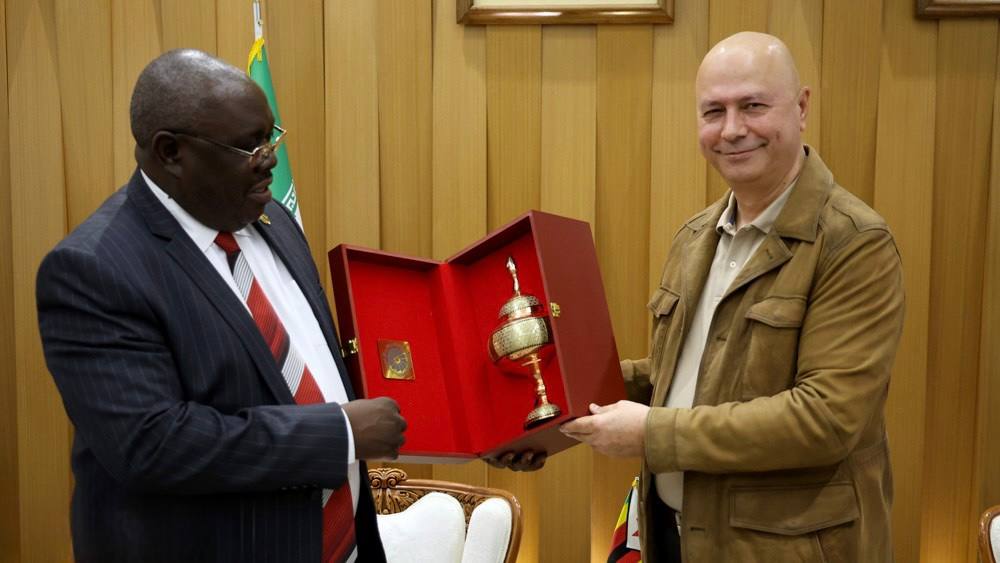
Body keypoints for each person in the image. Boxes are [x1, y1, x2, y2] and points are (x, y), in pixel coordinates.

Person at [36, 49, 406, 563]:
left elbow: (311, 376)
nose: (269, 159)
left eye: (270, 137)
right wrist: (338, 434)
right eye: (248, 146)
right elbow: (152, 444)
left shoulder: (272, 220)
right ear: (171, 152)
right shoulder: (94, 268)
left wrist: (476, 431)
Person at [562, 32, 904, 562]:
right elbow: (688, 375)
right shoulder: (695, 235)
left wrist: (651, 433)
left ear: (802, 107)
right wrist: (556, 398)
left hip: (785, 550)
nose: (732, 129)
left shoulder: (854, 241)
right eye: (713, 111)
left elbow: (826, 419)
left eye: (753, 106)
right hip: (675, 537)